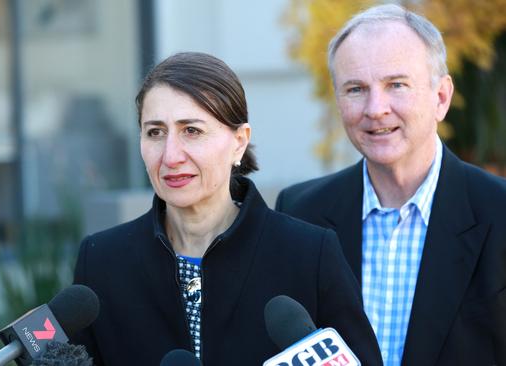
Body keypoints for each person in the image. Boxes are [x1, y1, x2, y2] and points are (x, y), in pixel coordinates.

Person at [71, 52, 382, 365]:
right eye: (155, 132)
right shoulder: (102, 261)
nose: (170, 155)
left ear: (239, 141)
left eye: (191, 130)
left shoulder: (309, 255)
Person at [276, 4, 506, 366]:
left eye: (396, 85)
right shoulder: (300, 213)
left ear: (441, 98)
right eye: (355, 89)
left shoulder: (499, 213)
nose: (375, 108)